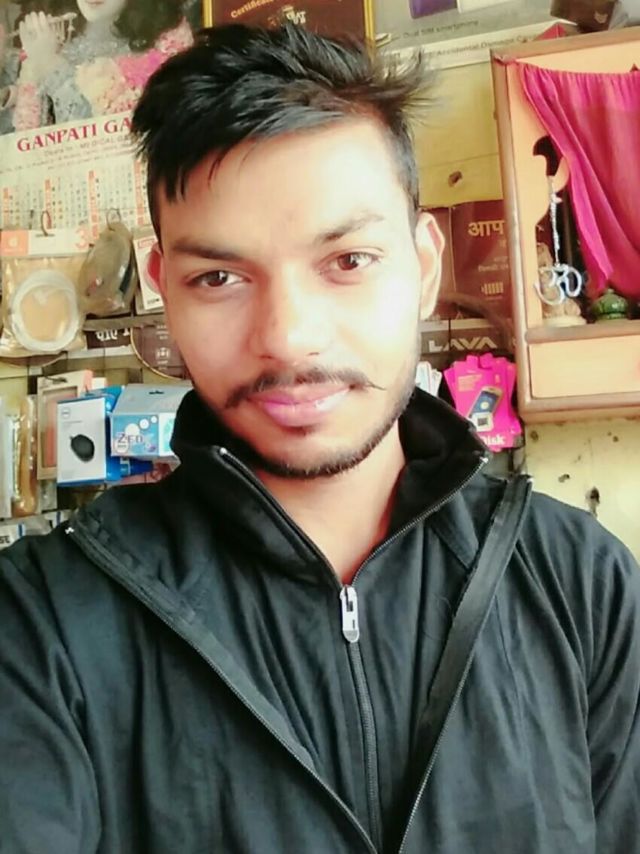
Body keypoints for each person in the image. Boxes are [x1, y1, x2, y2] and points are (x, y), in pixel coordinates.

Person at [1, 23, 639, 854]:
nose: (289, 338)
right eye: (219, 277)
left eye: (348, 261)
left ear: (424, 266)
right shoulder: (43, 623)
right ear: (165, 292)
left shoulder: (582, 587)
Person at [12, 0, 192, 129]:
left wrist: (52, 66)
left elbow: (106, 140)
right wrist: (41, 61)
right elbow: (30, 142)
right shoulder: (54, 39)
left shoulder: (167, 43)